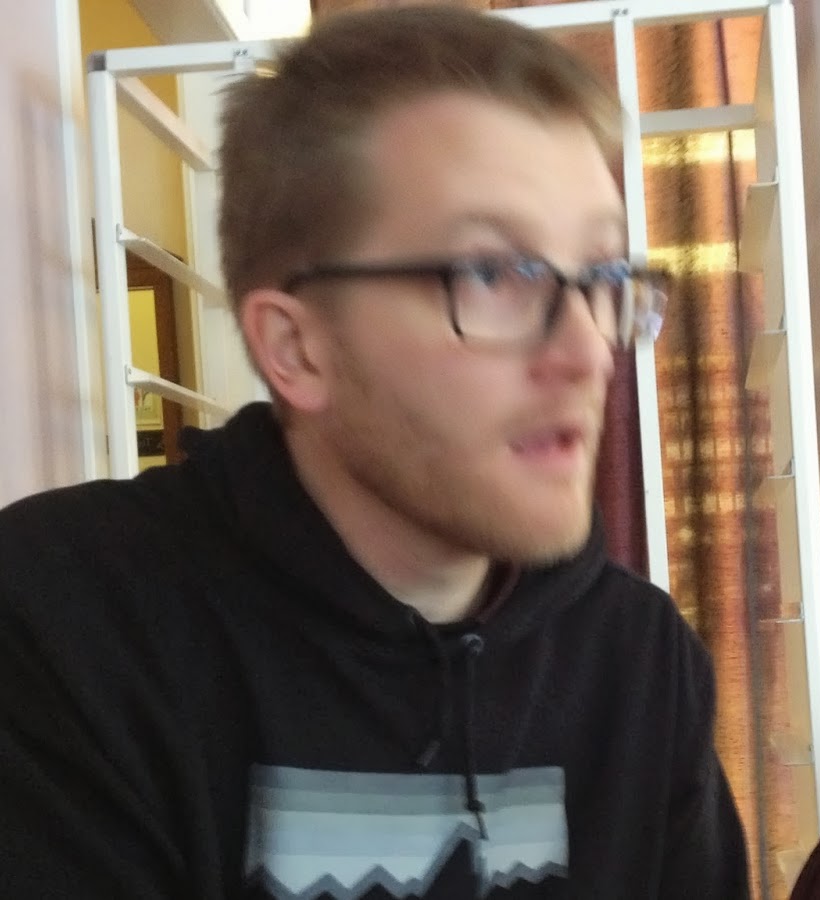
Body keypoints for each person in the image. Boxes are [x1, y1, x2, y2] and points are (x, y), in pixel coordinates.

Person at [0, 5, 749, 898]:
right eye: (493, 274)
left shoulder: (640, 661)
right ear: (297, 349)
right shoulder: (59, 624)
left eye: (605, 277)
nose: (590, 352)